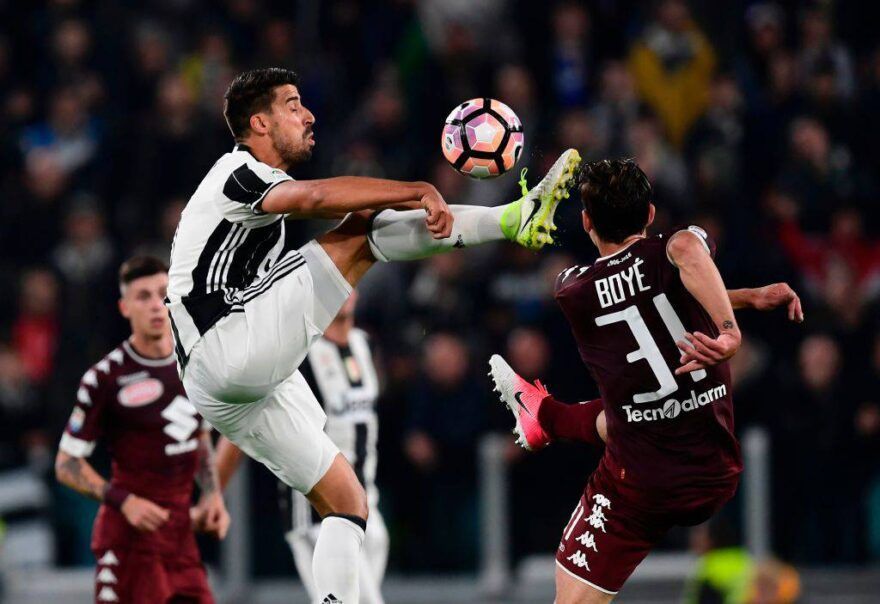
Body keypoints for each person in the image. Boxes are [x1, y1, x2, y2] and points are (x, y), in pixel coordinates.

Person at [166, 66, 580, 603]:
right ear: (259, 123)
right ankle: (512, 219)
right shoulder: (236, 172)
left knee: (346, 501)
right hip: (223, 342)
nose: (308, 114)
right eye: (293, 105)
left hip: (223, 383)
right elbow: (314, 200)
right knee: (361, 230)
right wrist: (416, 190)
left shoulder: (257, 209)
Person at [488, 159, 803, 603]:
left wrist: (734, 318)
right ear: (651, 213)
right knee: (633, 412)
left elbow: (649, 297)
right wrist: (735, 319)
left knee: (572, 596)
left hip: (639, 485)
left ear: (586, 222)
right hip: (714, 474)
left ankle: (547, 416)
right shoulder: (681, 246)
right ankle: (545, 416)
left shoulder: (572, 291)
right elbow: (682, 264)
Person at [55, 256, 229, 604]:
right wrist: (125, 501)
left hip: (180, 542)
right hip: (128, 543)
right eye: (143, 296)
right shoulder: (105, 378)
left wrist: (212, 495)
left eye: (162, 294)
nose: (154, 305)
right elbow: (66, 464)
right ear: (124, 307)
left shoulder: (196, 366)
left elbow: (197, 435)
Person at [214, 292, 389, 604]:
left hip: (368, 505)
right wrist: (212, 491)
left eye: (350, 282)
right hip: (317, 512)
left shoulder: (365, 345)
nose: (343, 291)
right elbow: (248, 415)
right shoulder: (299, 353)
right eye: (336, 283)